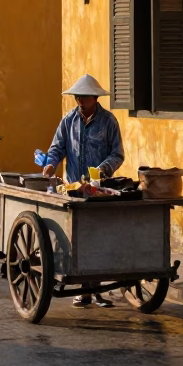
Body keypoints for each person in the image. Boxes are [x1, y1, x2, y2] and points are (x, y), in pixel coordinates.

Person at [42, 73, 125, 308]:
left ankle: (95, 289)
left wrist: (101, 170)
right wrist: (51, 163)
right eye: (77, 96)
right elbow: (57, 148)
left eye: (84, 97)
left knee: (97, 239)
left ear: (95, 98)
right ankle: (84, 290)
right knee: (76, 239)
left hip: (98, 190)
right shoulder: (68, 120)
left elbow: (117, 154)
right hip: (73, 189)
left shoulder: (109, 121)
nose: (80, 100)